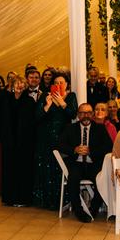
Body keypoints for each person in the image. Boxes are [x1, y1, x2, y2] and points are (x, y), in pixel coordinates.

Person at [58, 103, 112, 222]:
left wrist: (91, 151)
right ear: (78, 115)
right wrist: (74, 149)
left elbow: (109, 147)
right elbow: (60, 145)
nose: (85, 115)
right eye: (82, 113)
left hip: (93, 163)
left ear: (92, 114)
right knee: (73, 179)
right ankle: (79, 211)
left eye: (88, 113)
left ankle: (93, 209)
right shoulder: (70, 128)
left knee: (102, 178)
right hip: (76, 163)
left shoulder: (100, 129)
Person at [34, 71, 78, 210]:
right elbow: (37, 117)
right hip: (45, 137)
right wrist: (47, 105)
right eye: (56, 83)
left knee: (60, 167)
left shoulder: (71, 96)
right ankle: (46, 201)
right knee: (46, 167)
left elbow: (72, 114)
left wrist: (62, 103)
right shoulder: (45, 96)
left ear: (66, 84)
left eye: (61, 83)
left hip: (63, 137)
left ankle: (61, 200)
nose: (58, 85)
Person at [0, 75, 37, 206]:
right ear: (12, 85)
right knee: (10, 170)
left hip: (25, 142)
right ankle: (10, 198)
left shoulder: (30, 101)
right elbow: (2, 121)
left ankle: (23, 199)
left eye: (22, 84)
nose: (19, 86)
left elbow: (32, 123)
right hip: (9, 142)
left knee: (23, 170)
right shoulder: (6, 100)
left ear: (25, 86)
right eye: (17, 83)